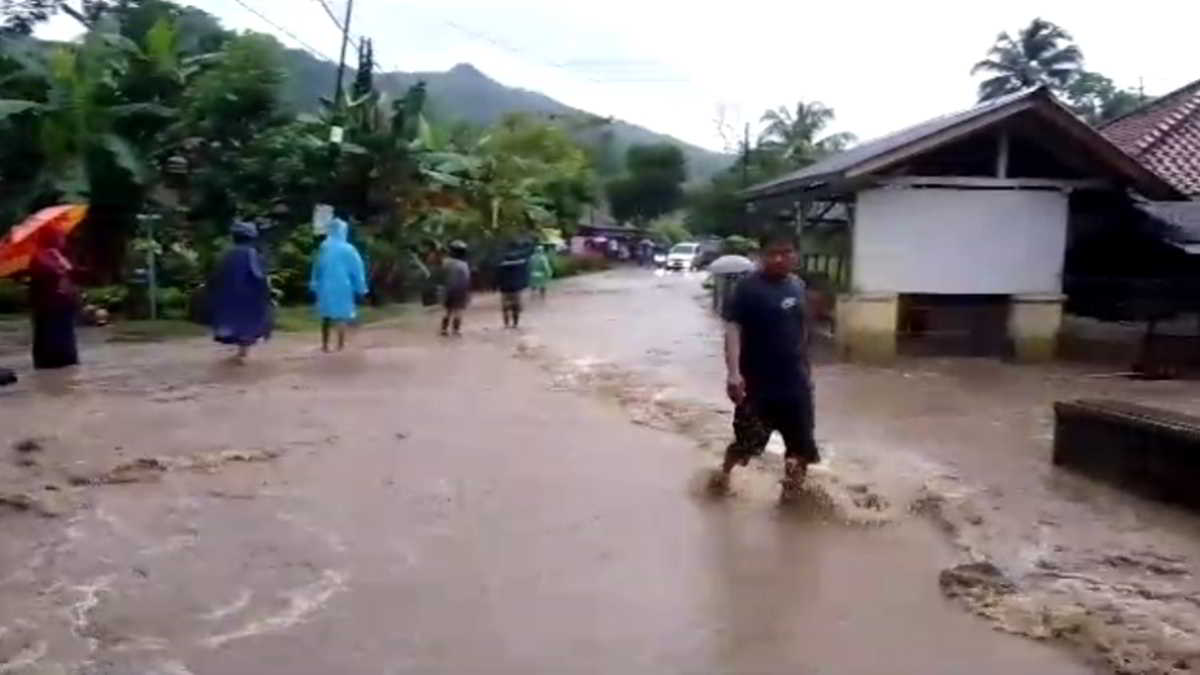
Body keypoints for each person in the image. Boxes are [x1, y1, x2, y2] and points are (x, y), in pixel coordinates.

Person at [714, 231, 819, 497]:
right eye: (772, 253)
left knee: (800, 448)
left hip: (795, 384)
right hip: (757, 385)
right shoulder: (747, 288)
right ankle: (722, 476)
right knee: (746, 446)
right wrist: (734, 373)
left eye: (786, 252)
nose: (779, 258)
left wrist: (807, 370)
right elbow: (733, 331)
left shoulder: (797, 286)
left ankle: (792, 497)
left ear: (796, 255)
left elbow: (802, 330)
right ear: (762, 256)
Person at [211, 221, 271, 363]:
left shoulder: (227, 253)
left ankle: (241, 352)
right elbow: (257, 274)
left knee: (235, 321)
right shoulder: (250, 253)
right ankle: (242, 352)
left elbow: (218, 274)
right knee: (247, 323)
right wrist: (265, 288)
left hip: (230, 294)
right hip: (248, 294)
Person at [310, 217, 368, 352]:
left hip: (325, 286)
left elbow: (316, 267)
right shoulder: (349, 249)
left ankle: (325, 345)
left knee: (326, 315)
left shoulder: (324, 247)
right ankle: (340, 346)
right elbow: (357, 270)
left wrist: (314, 283)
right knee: (341, 315)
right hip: (343, 286)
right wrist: (361, 288)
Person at [27, 227, 80, 370]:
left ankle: (66, 362)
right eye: (60, 236)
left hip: (64, 306)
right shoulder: (39, 257)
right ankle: (50, 364)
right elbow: (46, 277)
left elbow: (70, 274)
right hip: (49, 308)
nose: (63, 239)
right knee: (50, 340)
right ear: (51, 238)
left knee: (65, 340)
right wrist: (60, 271)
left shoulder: (58, 255)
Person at [496, 241, 532, 328]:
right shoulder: (520, 263)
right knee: (516, 307)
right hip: (516, 288)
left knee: (505, 308)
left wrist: (497, 286)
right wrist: (525, 284)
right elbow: (525, 274)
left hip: (504, 289)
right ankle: (515, 324)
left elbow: (497, 276)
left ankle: (506, 324)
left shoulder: (501, 264)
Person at [441, 240, 471, 337]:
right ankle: (456, 330)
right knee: (458, 311)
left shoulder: (445, 262)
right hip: (460, 290)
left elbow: (441, 276)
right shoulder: (464, 265)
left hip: (448, 289)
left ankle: (444, 330)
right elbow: (467, 279)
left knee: (447, 311)